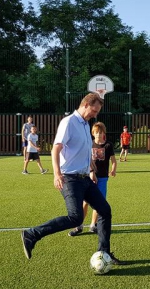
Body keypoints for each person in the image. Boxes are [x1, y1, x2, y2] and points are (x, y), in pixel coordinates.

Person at [21, 93, 125, 265]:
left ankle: (104, 253)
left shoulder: (85, 125)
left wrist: (91, 169)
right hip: (69, 178)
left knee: (105, 210)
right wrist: (56, 174)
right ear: (85, 105)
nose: (95, 115)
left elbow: (85, 151)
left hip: (85, 178)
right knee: (75, 218)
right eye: (94, 110)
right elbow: (56, 149)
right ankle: (31, 234)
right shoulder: (68, 122)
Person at [68, 122, 117, 236]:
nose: (98, 135)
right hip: (89, 177)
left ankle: (93, 225)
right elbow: (85, 159)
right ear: (93, 133)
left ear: (104, 133)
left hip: (103, 178)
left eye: (100, 132)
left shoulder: (108, 145)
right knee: (85, 202)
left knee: (98, 203)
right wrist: (90, 172)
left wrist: (113, 170)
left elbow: (113, 161)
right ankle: (79, 225)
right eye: (96, 132)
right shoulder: (89, 144)